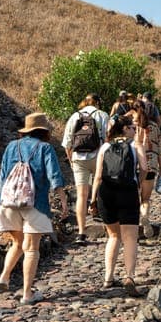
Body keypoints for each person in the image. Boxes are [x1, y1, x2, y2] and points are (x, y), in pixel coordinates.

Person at [0, 112, 68, 305]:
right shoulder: (45, 148)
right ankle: (27, 294)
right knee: (32, 249)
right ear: (43, 131)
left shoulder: (11, 146)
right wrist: (62, 199)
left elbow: (2, 176)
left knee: (17, 244)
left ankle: (3, 277)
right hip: (36, 204)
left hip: (9, 203)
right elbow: (54, 176)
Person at [90, 115, 146, 296]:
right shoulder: (135, 145)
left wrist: (93, 199)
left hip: (107, 193)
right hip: (128, 192)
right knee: (130, 237)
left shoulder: (105, 147)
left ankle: (108, 277)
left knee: (113, 236)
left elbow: (98, 175)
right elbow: (144, 168)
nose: (134, 130)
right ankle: (129, 276)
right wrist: (139, 184)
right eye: (131, 127)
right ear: (125, 129)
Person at [62, 94, 109, 244]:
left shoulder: (74, 116)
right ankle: (108, 227)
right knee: (102, 190)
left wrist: (71, 160)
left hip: (78, 158)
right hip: (99, 156)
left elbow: (67, 143)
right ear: (98, 103)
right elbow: (108, 138)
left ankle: (81, 233)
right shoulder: (102, 115)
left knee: (81, 196)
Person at [137, 92, 161, 237]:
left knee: (134, 196)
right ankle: (145, 217)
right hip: (151, 163)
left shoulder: (136, 126)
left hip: (135, 164)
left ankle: (132, 226)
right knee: (146, 198)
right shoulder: (156, 128)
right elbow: (159, 151)